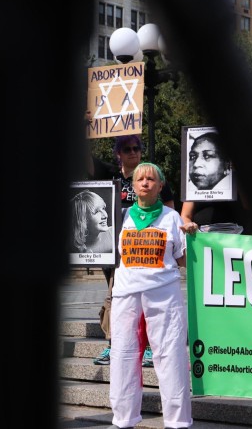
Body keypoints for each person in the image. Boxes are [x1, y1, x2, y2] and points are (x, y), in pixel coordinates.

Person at [107, 162, 197, 429]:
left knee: (171, 357)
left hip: (164, 295)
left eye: (151, 179)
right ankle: (124, 420)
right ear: (133, 187)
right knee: (123, 356)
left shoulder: (172, 218)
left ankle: (178, 422)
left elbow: (182, 262)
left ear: (160, 186)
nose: (145, 182)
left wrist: (193, 236)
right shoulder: (119, 217)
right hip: (126, 295)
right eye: (140, 179)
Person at [93, 134, 175, 367]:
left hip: (146, 248)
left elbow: (169, 212)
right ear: (118, 153)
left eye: (137, 148)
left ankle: (147, 346)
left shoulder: (152, 175)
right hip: (115, 248)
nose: (133, 152)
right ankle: (113, 344)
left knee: (145, 297)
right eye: (127, 149)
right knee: (114, 296)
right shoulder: (109, 175)